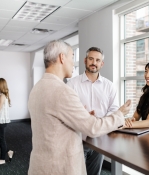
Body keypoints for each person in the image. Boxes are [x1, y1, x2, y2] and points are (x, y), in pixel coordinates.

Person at [27, 40, 131, 175]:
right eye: (72, 57)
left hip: (42, 164)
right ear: (62, 58)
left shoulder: (37, 88)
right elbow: (92, 128)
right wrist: (120, 114)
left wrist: (82, 114)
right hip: (59, 166)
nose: (73, 64)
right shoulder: (63, 91)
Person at [67, 47, 118, 175]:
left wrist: (101, 123)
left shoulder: (109, 86)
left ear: (102, 63)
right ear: (85, 60)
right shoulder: (72, 84)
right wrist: (83, 116)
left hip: (99, 140)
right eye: (91, 59)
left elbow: (114, 109)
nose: (94, 62)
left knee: (94, 173)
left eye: (97, 60)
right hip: (78, 139)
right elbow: (67, 109)